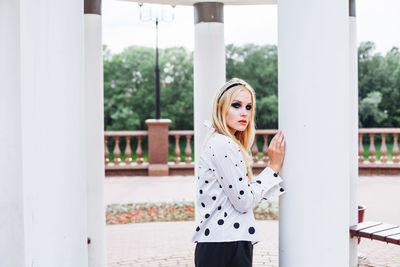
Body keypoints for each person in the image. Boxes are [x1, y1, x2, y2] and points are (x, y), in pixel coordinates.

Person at [191, 78, 286, 267]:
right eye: (236, 105)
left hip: (223, 243)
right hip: (225, 245)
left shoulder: (223, 142)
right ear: (220, 107)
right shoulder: (223, 144)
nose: (244, 113)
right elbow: (244, 201)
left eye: (249, 107)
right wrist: (273, 168)